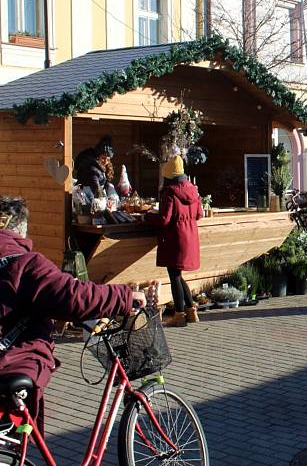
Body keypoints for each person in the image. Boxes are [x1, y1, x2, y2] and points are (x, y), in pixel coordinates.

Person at [0, 196, 145, 434]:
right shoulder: (25, 264)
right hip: (11, 364)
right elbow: (74, 296)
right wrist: (125, 297)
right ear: (20, 231)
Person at [152, 156, 203, 326]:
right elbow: (199, 215)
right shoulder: (193, 190)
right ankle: (191, 311)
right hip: (190, 236)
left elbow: (164, 219)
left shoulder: (169, 192)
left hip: (174, 237)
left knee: (174, 276)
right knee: (178, 275)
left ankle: (179, 315)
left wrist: (148, 218)